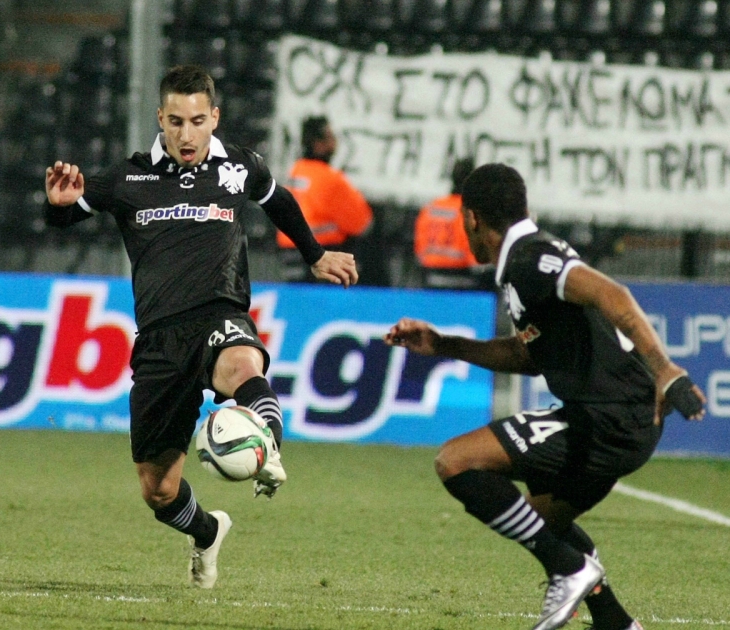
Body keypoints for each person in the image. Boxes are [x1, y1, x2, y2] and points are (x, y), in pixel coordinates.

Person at [44, 65, 357, 589]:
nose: (186, 134)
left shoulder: (239, 166)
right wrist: (57, 206)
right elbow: (64, 214)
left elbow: (278, 200)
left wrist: (315, 254)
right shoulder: (129, 177)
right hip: (159, 339)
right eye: (175, 122)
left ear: (214, 117)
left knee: (242, 366)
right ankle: (208, 531)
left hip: (220, 313)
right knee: (159, 491)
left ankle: (267, 448)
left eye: (196, 121)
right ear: (160, 119)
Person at [384, 163, 706, 630]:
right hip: (618, 419)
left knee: (456, 461)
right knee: (537, 520)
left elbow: (612, 293)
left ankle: (568, 570)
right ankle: (615, 621)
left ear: (471, 218)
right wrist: (444, 344)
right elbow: (526, 355)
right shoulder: (525, 261)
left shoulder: (531, 258)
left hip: (611, 417)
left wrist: (664, 368)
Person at [278, 115, 372, 283]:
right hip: (322, 254)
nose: (335, 143)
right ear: (319, 143)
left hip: (289, 251)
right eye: (331, 137)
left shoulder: (296, 171)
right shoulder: (329, 178)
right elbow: (362, 224)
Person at [414, 157, 490, 290]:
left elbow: (418, 250)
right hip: (462, 281)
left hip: (429, 279)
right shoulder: (473, 213)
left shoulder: (431, 208)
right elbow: (478, 261)